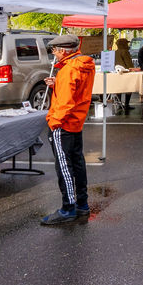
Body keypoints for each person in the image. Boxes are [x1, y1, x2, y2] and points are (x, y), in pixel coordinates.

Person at [41, 34, 96, 225]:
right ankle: (82, 204)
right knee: (77, 163)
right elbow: (77, 92)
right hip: (76, 122)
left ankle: (68, 208)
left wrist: (54, 122)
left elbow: (66, 102)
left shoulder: (68, 69)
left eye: (54, 51)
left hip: (63, 124)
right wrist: (57, 84)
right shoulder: (82, 65)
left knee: (64, 167)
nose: (54, 54)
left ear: (63, 50)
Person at [114, 38, 135, 111]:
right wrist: (133, 70)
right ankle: (126, 104)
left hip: (117, 73)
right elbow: (129, 63)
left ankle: (119, 104)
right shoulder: (125, 52)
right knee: (129, 89)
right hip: (126, 73)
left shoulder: (115, 52)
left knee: (118, 89)